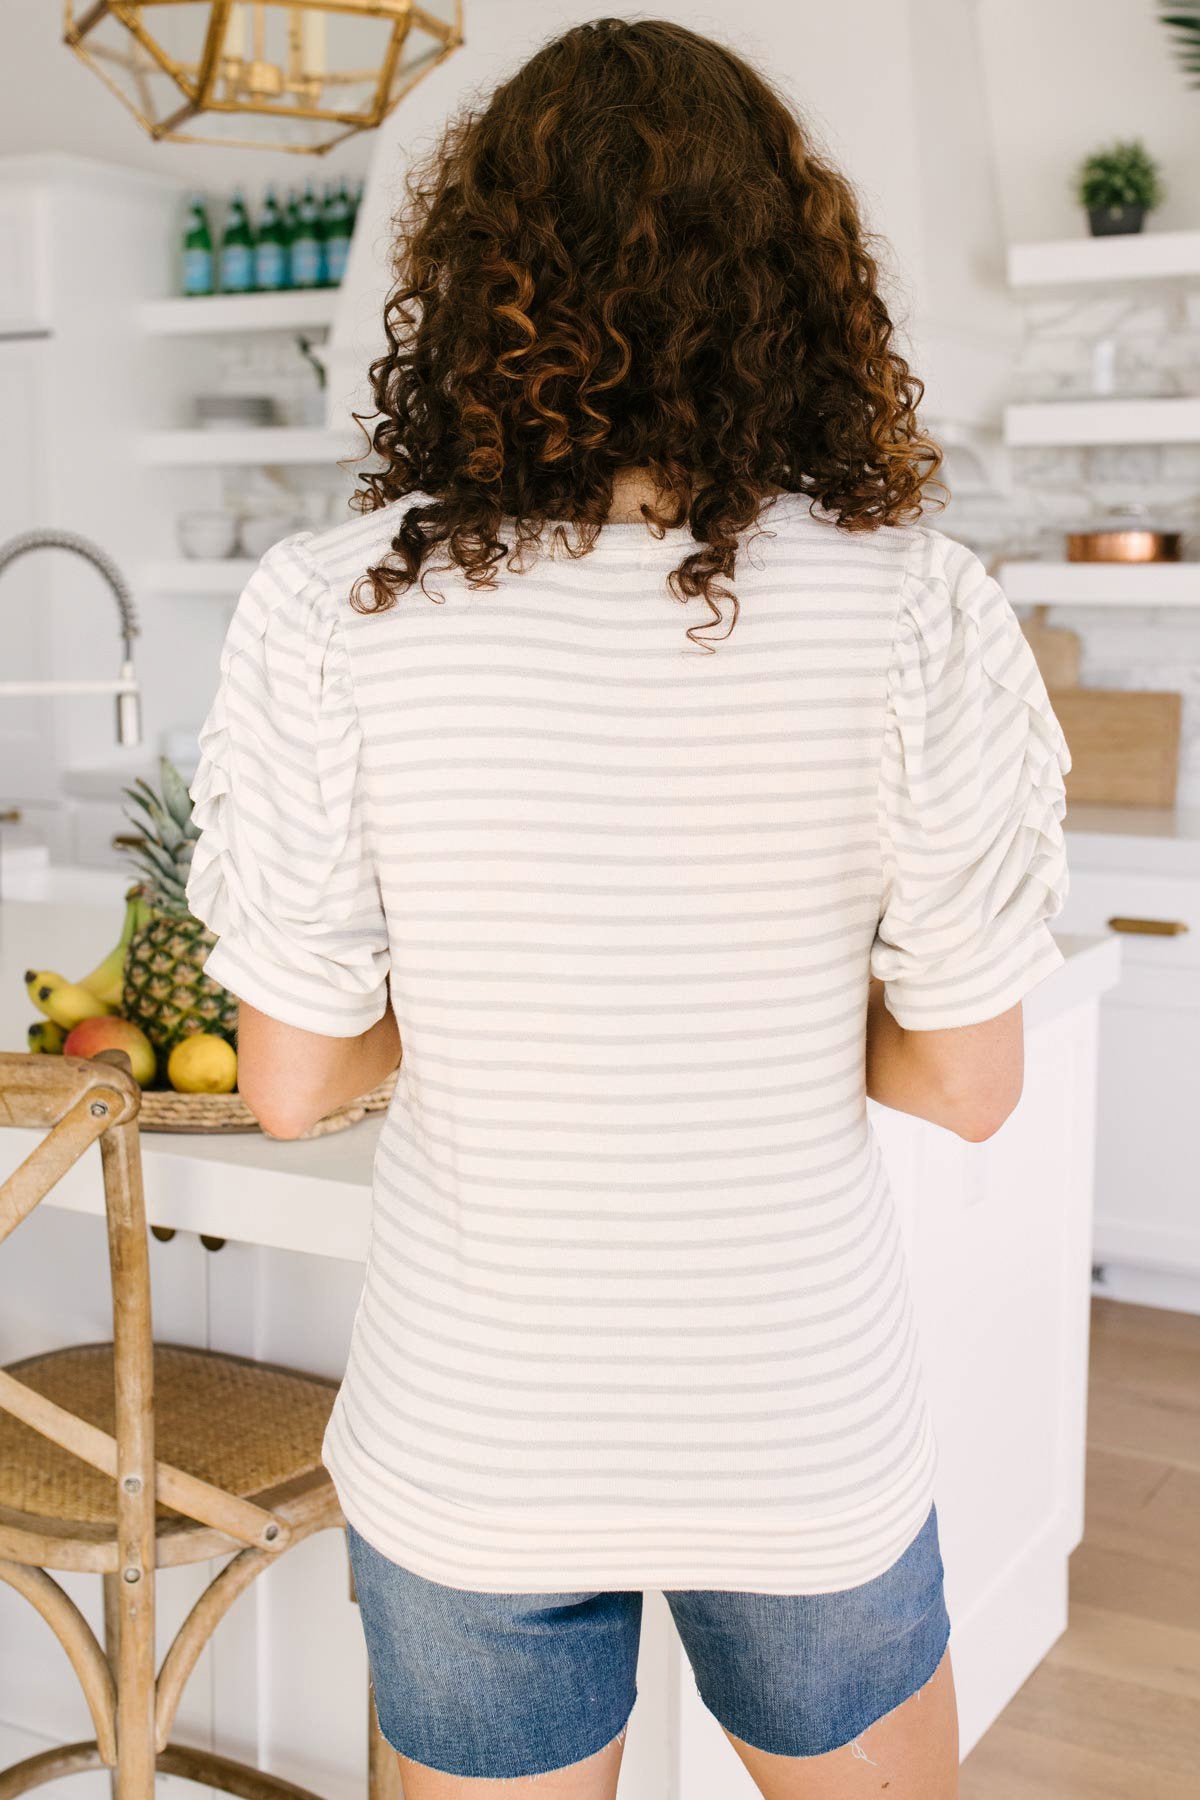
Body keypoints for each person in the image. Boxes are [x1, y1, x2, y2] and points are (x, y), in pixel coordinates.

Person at [185, 17, 1070, 1800]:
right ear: (796, 283)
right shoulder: (914, 606)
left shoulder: (327, 607)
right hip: (797, 1416)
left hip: (476, 1426)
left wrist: (510, 993)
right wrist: (752, 1004)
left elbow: (288, 1082)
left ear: (471, 282)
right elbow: (974, 1085)